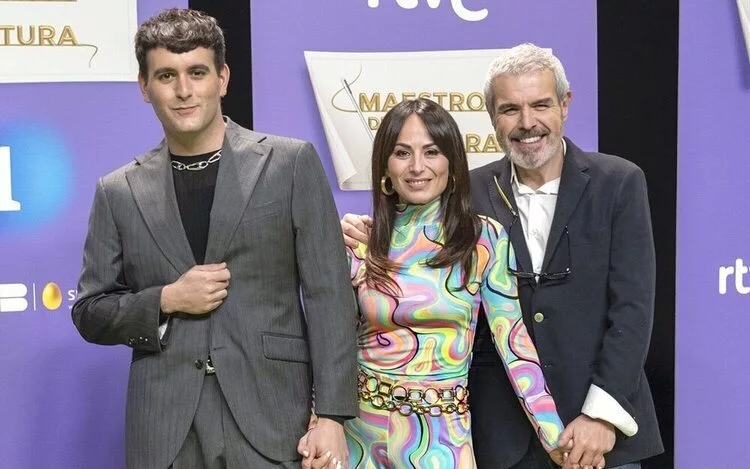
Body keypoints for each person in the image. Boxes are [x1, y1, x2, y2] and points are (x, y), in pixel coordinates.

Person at [340, 44, 664, 469]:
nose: (527, 122)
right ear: (492, 116)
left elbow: (633, 310)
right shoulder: (466, 194)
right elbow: (334, 339)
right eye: (510, 109)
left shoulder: (617, 182)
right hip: (492, 436)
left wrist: (599, 415)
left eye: (540, 104)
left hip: (596, 428)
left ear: (565, 105)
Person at [72, 8, 357, 469]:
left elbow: (329, 295)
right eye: (166, 75)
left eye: (197, 72)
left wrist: (332, 415)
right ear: (144, 87)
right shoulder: (118, 190)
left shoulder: (290, 164)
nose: (183, 90)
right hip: (166, 427)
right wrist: (166, 299)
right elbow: (90, 311)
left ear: (222, 79)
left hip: (273, 419)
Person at [304, 98, 565, 469]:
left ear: (451, 163)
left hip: (442, 440)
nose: (417, 167)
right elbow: (331, 346)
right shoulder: (360, 239)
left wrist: (553, 434)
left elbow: (513, 341)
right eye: (402, 153)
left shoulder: (483, 239)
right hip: (361, 436)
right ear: (385, 167)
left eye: (431, 152)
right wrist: (319, 424)